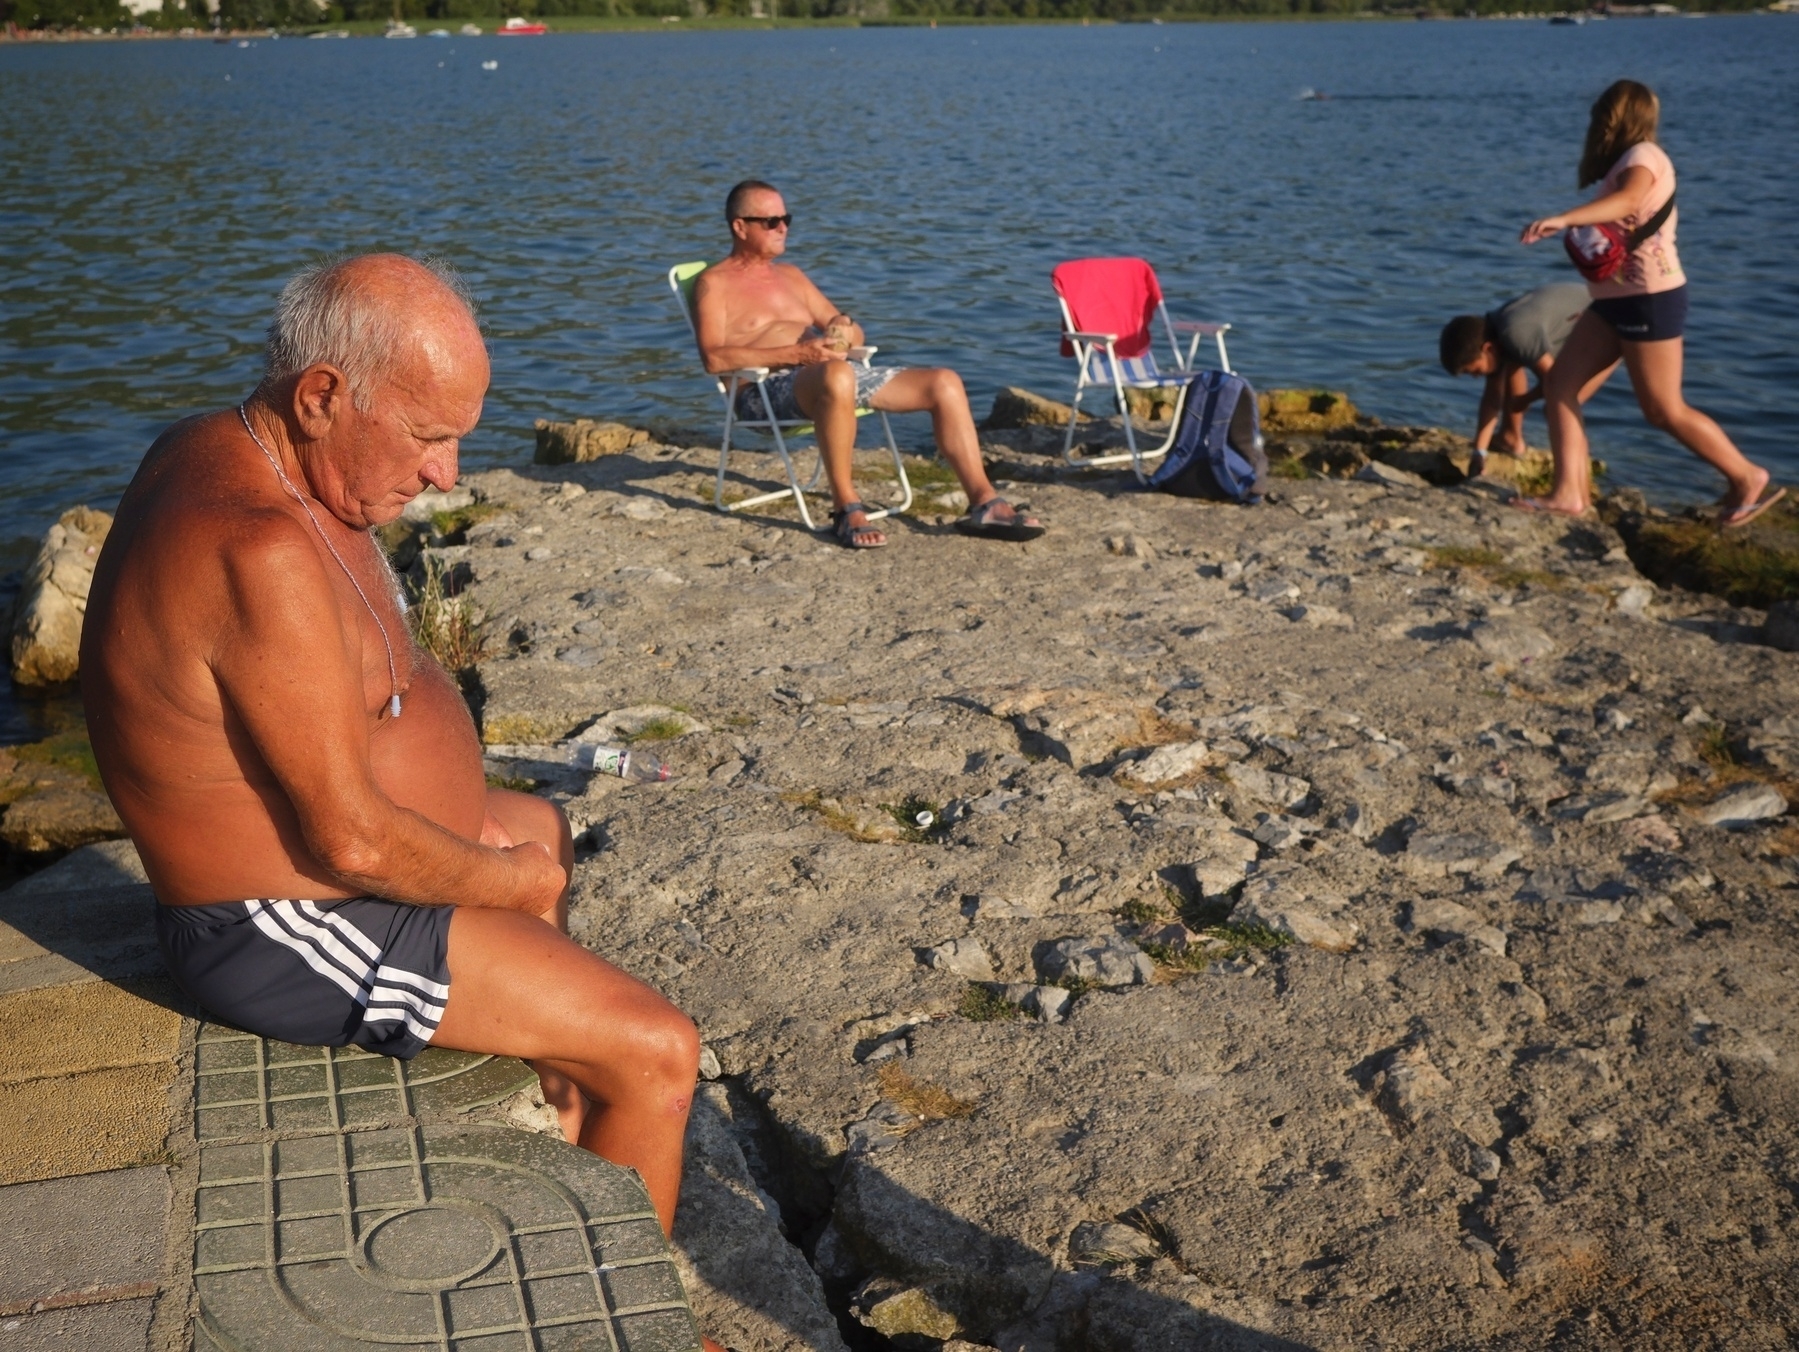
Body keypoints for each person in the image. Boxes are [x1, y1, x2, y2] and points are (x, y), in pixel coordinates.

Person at [81, 255, 727, 1352]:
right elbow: (348, 836)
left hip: (341, 875)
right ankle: (612, 1323)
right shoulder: (259, 546)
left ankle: (570, 1117)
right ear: (322, 395)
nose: (445, 473)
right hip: (280, 924)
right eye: (427, 435)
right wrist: (507, 882)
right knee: (658, 1046)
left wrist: (504, 845)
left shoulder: (229, 442)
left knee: (539, 821)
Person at [690, 179, 1045, 549]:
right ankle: (846, 509)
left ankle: (983, 502)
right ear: (740, 226)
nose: (783, 228)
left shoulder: (791, 276)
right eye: (771, 221)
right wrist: (798, 355)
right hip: (761, 393)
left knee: (944, 382)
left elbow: (847, 328)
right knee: (837, 373)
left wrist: (842, 330)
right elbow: (714, 357)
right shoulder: (714, 284)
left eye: (787, 219)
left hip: (828, 375)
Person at [1517, 79, 1783, 524]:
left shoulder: (1644, 157)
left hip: (1649, 299)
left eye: (1601, 113)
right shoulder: (1624, 160)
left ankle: (1747, 476)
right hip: (1612, 301)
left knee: (1662, 409)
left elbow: (1631, 200)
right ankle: (1568, 494)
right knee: (1560, 387)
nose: (1595, 121)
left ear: (1616, 116)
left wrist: (1565, 218)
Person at [1438, 282, 1611, 473]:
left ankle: (1574, 478)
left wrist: (1525, 399)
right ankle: (1510, 437)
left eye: (1475, 371)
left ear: (1488, 348)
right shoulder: (1495, 333)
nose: (1476, 377)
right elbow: (1492, 399)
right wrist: (1479, 452)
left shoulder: (1516, 333)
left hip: (1610, 329)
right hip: (1580, 321)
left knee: (1559, 405)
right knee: (1512, 361)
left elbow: (1556, 382)